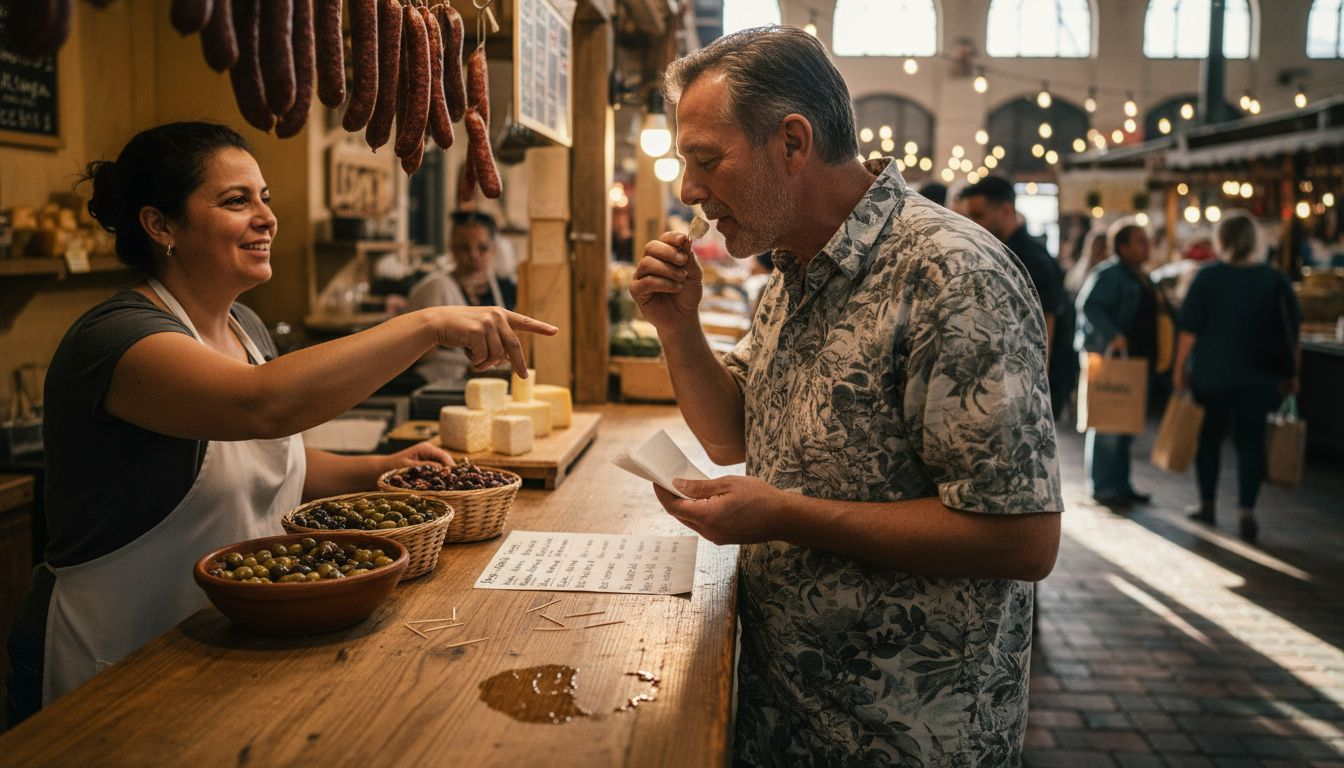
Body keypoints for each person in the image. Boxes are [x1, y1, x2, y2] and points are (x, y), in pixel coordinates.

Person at [5, 122, 556, 725]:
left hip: (221, 643)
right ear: (160, 225)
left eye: (264, 197)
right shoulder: (118, 339)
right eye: (236, 201)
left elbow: (261, 460)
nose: (266, 217)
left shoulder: (246, 326)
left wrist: (378, 469)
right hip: (112, 656)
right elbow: (262, 408)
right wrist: (428, 324)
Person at [630, 27, 1062, 767]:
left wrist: (786, 515)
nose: (689, 191)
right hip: (787, 717)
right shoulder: (794, 269)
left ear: (792, 143)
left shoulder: (951, 276)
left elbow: (1022, 539)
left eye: (706, 160)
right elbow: (734, 436)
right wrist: (677, 328)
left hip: (902, 735)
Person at [1174, 212, 1302, 543]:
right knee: (1251, 443)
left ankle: (1207, 503)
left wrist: (1178, 370)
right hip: (1259, 378)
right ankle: (1247, 509)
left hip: (1211, 375)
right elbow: (1293, 333)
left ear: (1223, 240)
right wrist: (1293, 373)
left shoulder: (1207, 278)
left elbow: (1188, 331)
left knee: (1210, 441)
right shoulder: (1275, 279)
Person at [959, 176, 1074, 420]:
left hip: (1028, 381)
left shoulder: (1029, 258)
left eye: (978, 216)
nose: (971, 224)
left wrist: (1036, 383)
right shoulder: (1001, 250)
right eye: (968, 217)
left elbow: (1046, 321)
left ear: (1006, 209)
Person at [1074, 220, 1157, 508]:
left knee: (1125, 422)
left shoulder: (1138, 275)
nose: (1147, 247)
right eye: (1140, 241)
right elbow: (1089, 306)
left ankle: (1120, 484)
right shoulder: (1110, 274)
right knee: (1108, 421)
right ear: (1122, 246)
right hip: (1110, 358)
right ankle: (1104, 486)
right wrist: (1114, 335)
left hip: (1133, 359)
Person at [405, 211, 519, 388]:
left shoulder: (506, 290)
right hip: (439, 386)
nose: (474, 255)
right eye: (464, 248)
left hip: (493, 384)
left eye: (482, 248)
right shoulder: (435, 289)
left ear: (493, 250)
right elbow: (413, 354)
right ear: (452, 248)